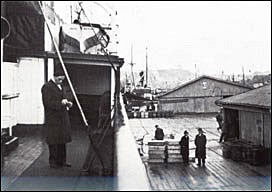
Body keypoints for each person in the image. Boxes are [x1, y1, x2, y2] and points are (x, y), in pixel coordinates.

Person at [41, 70, 73, 168]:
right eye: (59, 79)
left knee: (62, 140)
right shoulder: (47, 87)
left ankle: (62, 161)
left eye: (62, 80)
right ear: (54, 76)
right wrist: (61, 103)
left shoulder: (61, 86)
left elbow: (63, 98)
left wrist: (68, 103)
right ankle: (53, 162)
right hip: (53, 119)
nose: (60, 81)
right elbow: (48, 103)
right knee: (53, 140)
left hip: (62, 117)